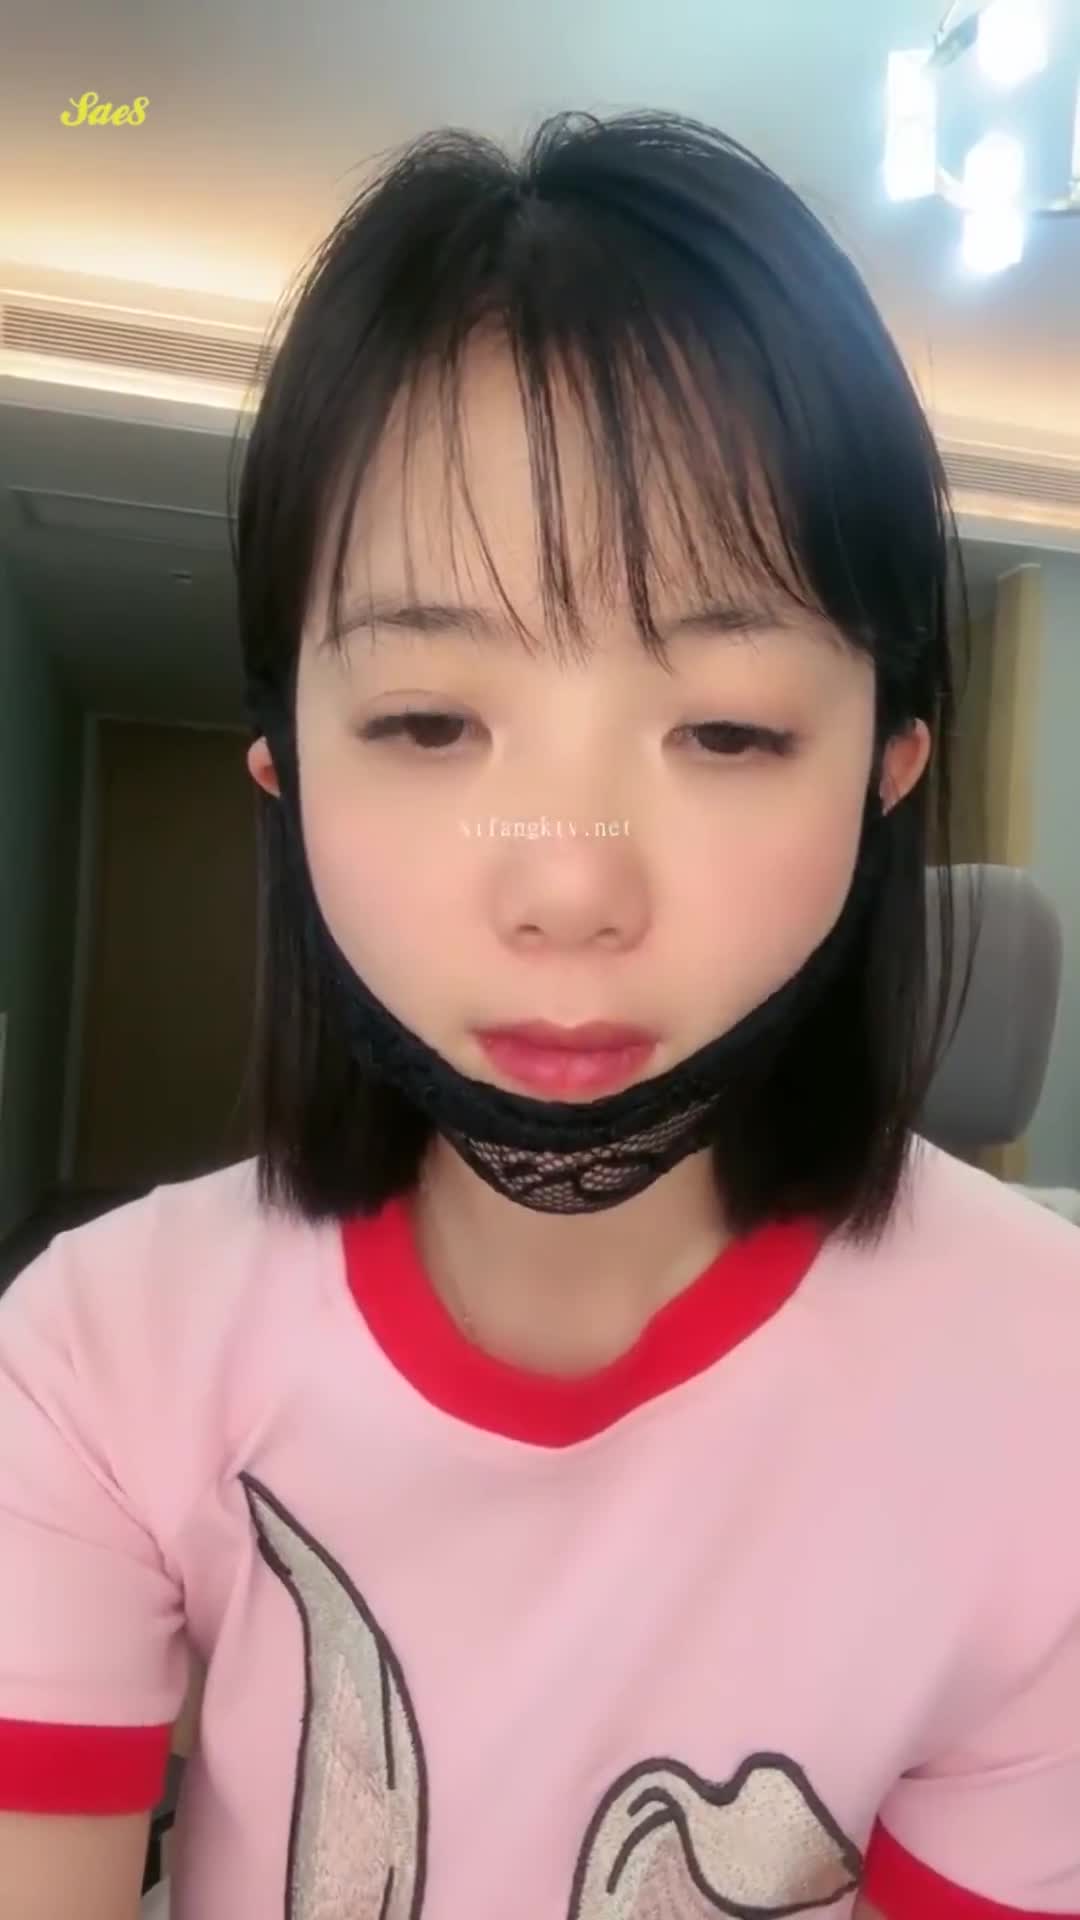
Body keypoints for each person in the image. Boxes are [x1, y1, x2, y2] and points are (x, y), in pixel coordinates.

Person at [1, 110, 1078, 1920]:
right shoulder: (94, 1361)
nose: (570, 889)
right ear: (288, 778)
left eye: (727, 730)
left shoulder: (1049, 1400)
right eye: (429, 724)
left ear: (885, 778)